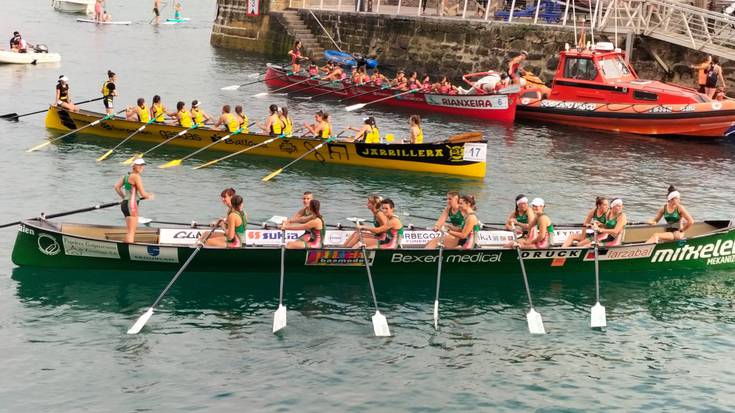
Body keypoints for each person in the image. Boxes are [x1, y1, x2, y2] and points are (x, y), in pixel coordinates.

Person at [114, 159, 154, 243]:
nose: (141, 167)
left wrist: (124, 197)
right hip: (132, 205)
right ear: (133, 166)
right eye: (139, 165)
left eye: (143, 165)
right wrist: (149, 196)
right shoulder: (136, 177)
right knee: (131, 232)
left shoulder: (125, 176)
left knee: (129, 231)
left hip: (125, 204)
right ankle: (128, 250)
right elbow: (143, 194)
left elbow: (117, 187)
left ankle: (125, 248)